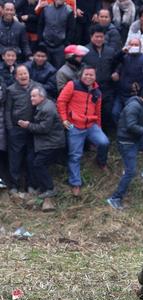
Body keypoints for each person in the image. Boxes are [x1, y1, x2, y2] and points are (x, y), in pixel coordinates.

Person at [107, 89, 143, 210]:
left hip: (136, 139)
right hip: (127, 142)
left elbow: (142, 123)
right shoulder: (134, 106)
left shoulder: (140, 106)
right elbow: (131, 126)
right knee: (131, 171)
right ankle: (115, 198)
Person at [56, 65, 110, 197]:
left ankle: (101, 162)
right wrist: (64, 119)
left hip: (91, 124)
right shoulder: (72, 85)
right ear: (81, 75)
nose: (88, 77)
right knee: (75, 155)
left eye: (91, 74)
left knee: (104, 142)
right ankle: (75, 183)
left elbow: (98, 111)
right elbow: (61, 101)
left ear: (95, 77)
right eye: (86, 74)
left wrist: (99, 128)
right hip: (74, 125)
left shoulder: (97, 92)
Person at [16, 87, 65, 199]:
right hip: (47, 142)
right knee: (34, 162)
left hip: (52, 143)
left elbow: (44, 129)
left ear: (41, 96)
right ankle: (42, 187)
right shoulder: (43, 105)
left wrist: (27, 125)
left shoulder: (47, 109)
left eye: (33, 96)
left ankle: (50, 189)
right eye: (30, 96)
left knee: (38, 164)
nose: (31, 98)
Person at [5, 65, 41, 194]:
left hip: (33, 129)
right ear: (16, 77)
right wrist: (10, 128)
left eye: (25, 73)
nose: (23, 76)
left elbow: (44, 104)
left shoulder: (37, 87)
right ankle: (14, 185)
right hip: (16, 129)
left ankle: (32, 185)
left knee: (32, 158)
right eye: (20, 74)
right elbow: (7, 110)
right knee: (15, 158)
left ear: (29, 74)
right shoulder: (11, 90)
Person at [112, 38, 143, 124]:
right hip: (120, 93)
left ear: (140, 47)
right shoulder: (124, 56)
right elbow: (114, 60)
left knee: (130, 117)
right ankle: (119, 130)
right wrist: (122, 51)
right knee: (115, 113)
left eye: (136, 45)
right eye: (132, 44)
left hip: (133, 95)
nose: (133, 46)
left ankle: (127, 132)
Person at [84, 25, 119, 134]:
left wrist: (116, 72)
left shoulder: (110, 51)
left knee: (107, 110)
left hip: (108, 87)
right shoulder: (85, 51)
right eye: (96, 37)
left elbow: (117, 64)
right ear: (91, 37)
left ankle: (107, 133)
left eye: (101, 37)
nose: (99, 39)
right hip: (92, 88)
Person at [37, 0, 75, 69]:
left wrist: (66, 44)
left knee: (58, 69)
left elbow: (71, 30)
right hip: (45, 44)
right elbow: (40, 25)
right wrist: (41, 41)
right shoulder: (46, 9)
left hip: (60, 46)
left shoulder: (69, 11)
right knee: (44, 68)